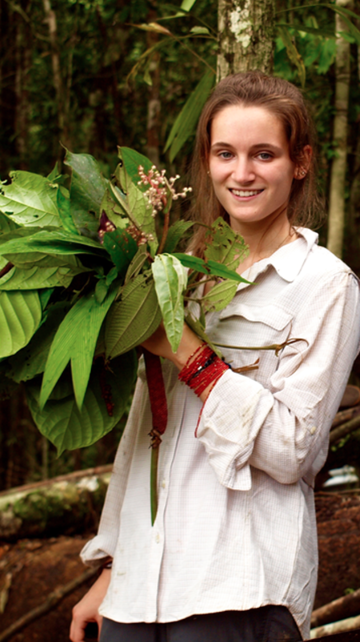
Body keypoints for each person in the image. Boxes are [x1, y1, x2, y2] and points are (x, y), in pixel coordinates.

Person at [70, 71, 360, 642]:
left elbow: (294, 451)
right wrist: (111, 568)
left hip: (237, 588)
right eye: (225, 153)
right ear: (207, 160)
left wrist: (187, 353)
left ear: (299, 162)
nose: (242, 173)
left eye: (264, 154)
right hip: (139, 591)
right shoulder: (175, 269)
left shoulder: (326, 284)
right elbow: (145, 435)